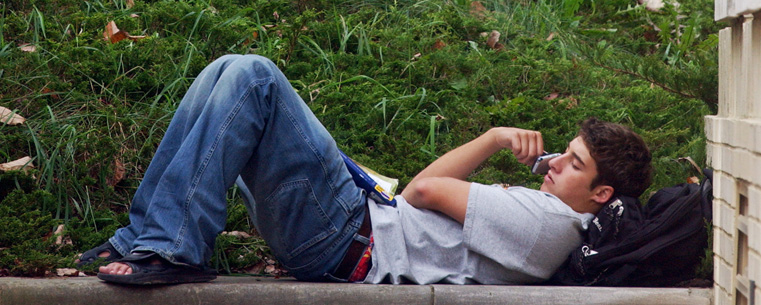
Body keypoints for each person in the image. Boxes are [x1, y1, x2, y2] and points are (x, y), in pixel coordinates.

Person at [77, 54, 653, 285]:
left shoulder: (548, 222)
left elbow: (426, 187)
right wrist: (497, 138)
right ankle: (149, 239)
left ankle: (169, 248)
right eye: (564, 153)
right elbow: (426, 189)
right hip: (348, 230)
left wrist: (495, 139)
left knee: (254, 76)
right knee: (234, 69)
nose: (555, 165)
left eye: (572, 163)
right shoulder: (544, 213)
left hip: (347, 237)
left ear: (601, 193)